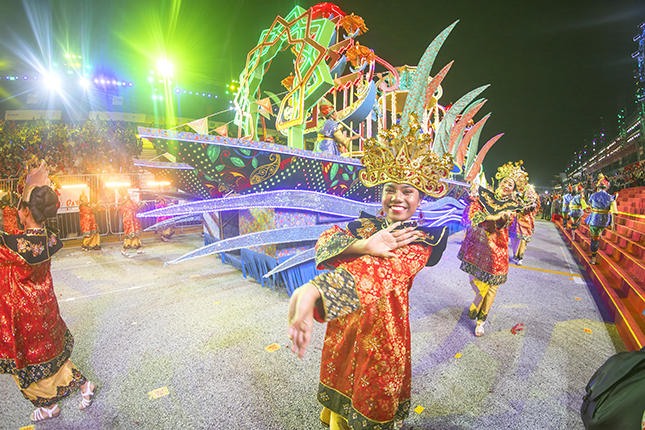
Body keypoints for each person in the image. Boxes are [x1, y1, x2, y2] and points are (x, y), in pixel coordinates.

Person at [287, 119, 451, 430]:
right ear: (381, 192)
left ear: (420, 198)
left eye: (408, 191)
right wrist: (364, 244)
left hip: (384, 334)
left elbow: (379, 272)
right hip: (346, 324)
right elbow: (326, 242)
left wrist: (314, 291)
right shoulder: (363, 226)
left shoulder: (419, 239)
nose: (397, 197)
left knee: (371, 395)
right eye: (390, 189)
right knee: (341, 394)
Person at [0, 162, 95, 422]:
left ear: (26, 210)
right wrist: (33, 185)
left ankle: (48, 405)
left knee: (27, 365)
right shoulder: (46, 237)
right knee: (51, 355)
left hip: (23, 312)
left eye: (20, 205)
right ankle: (84, 385)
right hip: (44, 305)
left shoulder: (18, 245)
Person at [458, 161, 527, 336]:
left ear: (513, 189)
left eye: (510, 184)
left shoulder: (511, 207)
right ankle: (478, 304)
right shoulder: (483, 196)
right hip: (476, 247)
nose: (506, 186)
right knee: (475, 280)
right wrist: (487, 213)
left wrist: (500, 219)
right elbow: (472, 214)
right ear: (499, 181)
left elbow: (499, 225)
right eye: (505, 181)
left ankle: (481, 320)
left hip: (497, 249)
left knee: (491, 286)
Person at [584, 174, 616, 265]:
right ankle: (599, 235)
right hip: (605, 220)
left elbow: (590, 208)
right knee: (598, 234)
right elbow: (614, 212)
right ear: (606, 187)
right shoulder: (611, 197)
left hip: (594, 218)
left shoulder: (593, 196)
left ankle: (593, 258)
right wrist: (613, 224)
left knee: (594, 239)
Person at [509, 184, 539, 266]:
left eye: (531, 192)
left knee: (523, 240)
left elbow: (533, 208)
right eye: (528, 192)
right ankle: (516, 254)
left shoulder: (532, 203)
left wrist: (531, 206)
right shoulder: (519, 199)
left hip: (526, 223)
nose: (529, 194)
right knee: (515, 239)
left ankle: (520, 257)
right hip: (517, 222)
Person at [118, 188, 144, 256]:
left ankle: (138, 249)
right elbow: (134, 207)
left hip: (132, 219)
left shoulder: (127, 201)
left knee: (135, 234)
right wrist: (139, 204)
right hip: (129, 220)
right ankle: (124, 250)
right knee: (130, 235)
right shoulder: (127, 201)